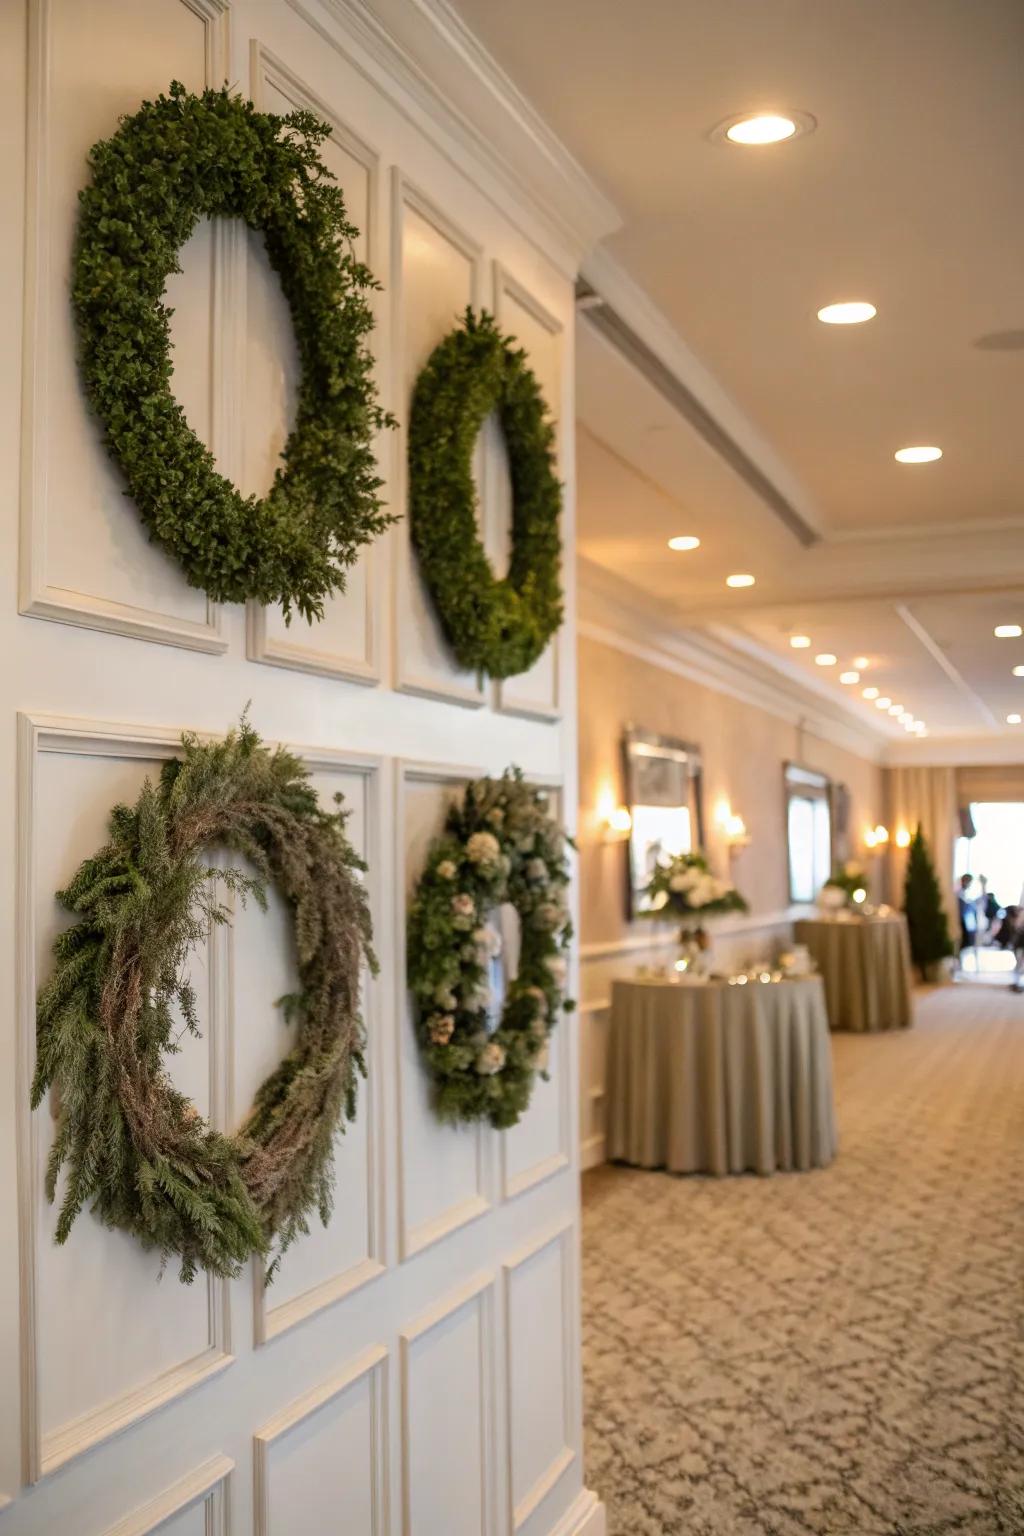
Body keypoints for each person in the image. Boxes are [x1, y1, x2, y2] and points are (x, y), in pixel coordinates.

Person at [957, 873, 979, 974]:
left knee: (968, 943)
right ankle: (958, 963)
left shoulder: (966, 895)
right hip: (962, 923)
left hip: (969, 923)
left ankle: (960, 964)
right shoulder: (959, 894)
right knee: (962, 944)